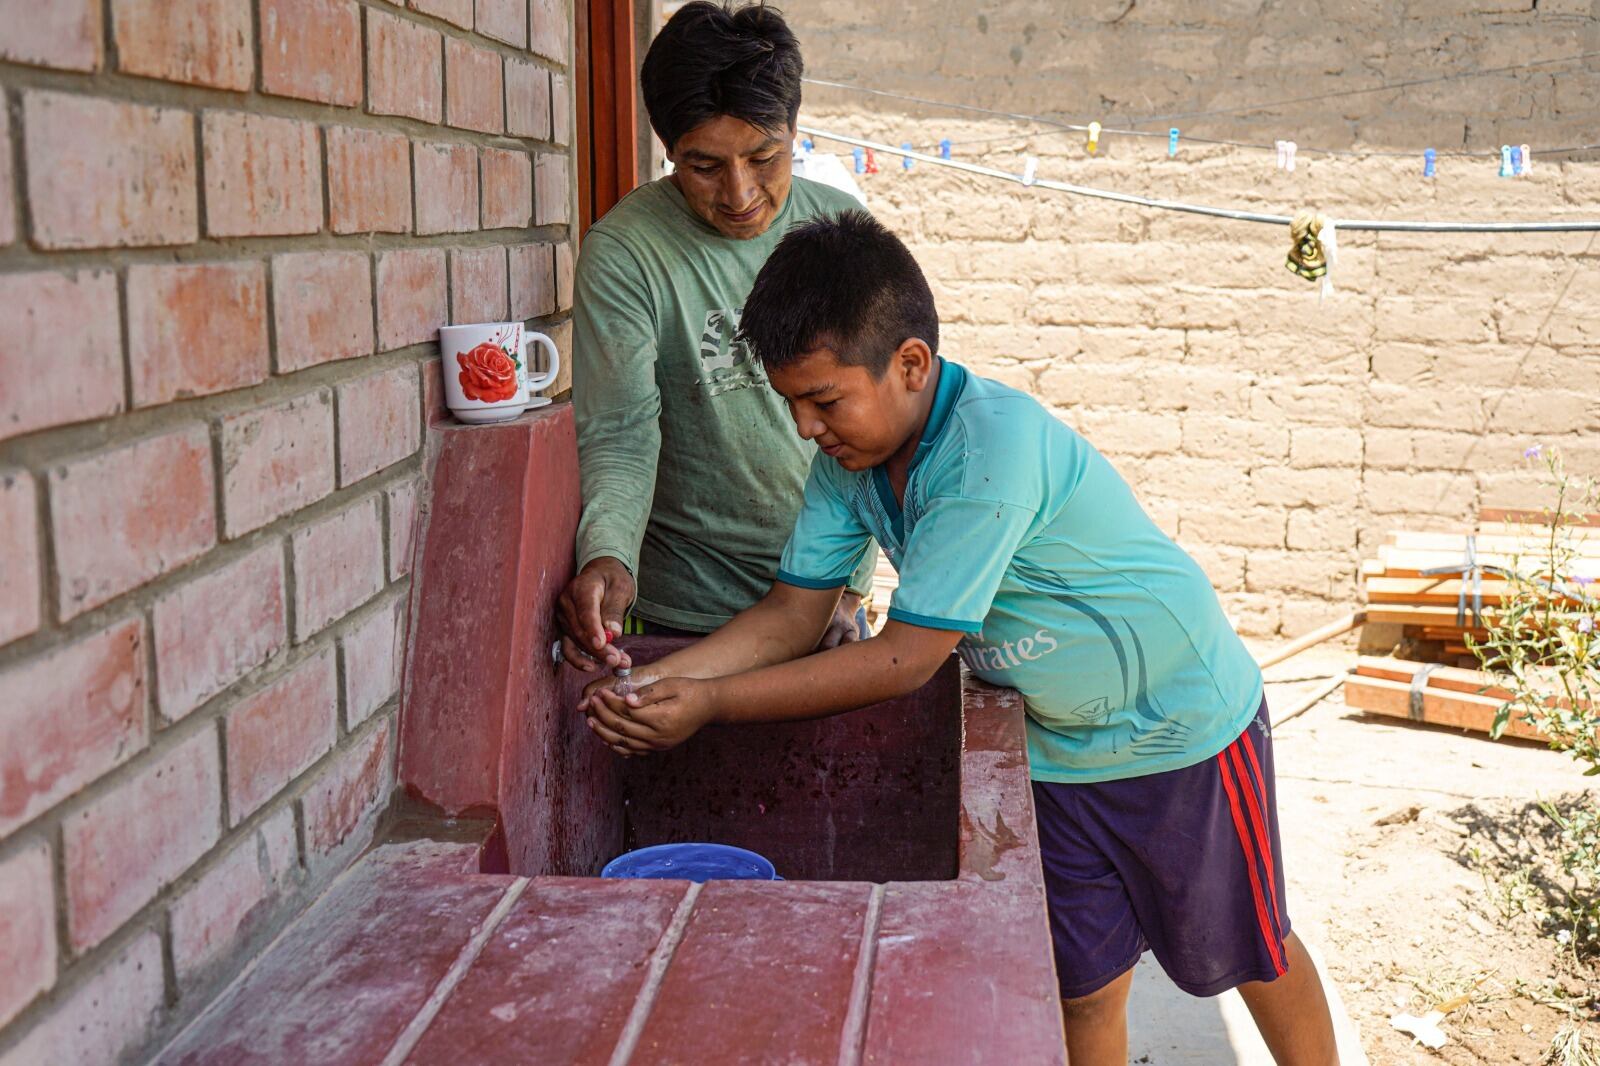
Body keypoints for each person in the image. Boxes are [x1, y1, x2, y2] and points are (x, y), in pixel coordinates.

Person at [579, 211, 1340, 1065]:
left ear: (910, 365)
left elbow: (906, 658)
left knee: (1251, 954)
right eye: (790, 403)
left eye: (824, 400)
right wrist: (654, 683)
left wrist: (711, 703)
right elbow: (791, 614)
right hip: (1057, 749)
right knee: (1084, 987)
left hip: (1179, 730)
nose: (804, 428)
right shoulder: (849, 467)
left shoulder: (988, 451)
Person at [558, 1, 874, 672]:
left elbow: (882, 421)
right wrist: (607, 555)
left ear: (794, 130)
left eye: (764, 157)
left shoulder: (841, 233)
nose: (739, 193)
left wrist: (849, 585)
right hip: (683, 613)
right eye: (703, 167)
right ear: (668, 149)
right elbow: (620, 431)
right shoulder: (627, 253)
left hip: (826, 606)